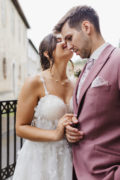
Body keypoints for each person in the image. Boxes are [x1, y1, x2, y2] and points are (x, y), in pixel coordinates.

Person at [54, 5, 120, 180]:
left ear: (86, 27)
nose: (68, 46)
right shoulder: (84, 69)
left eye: (69, 38)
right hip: (77, 171)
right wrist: (70, 131)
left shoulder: (117, 59)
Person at [12, 33, 75, 180]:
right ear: (47, 53)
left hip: (69, 157)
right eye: (59, 41)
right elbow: (20, 127)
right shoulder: (34, 82)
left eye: (67, 39)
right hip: (40, 159)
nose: (66, 42)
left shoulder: (75, 83)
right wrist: (55, 134)